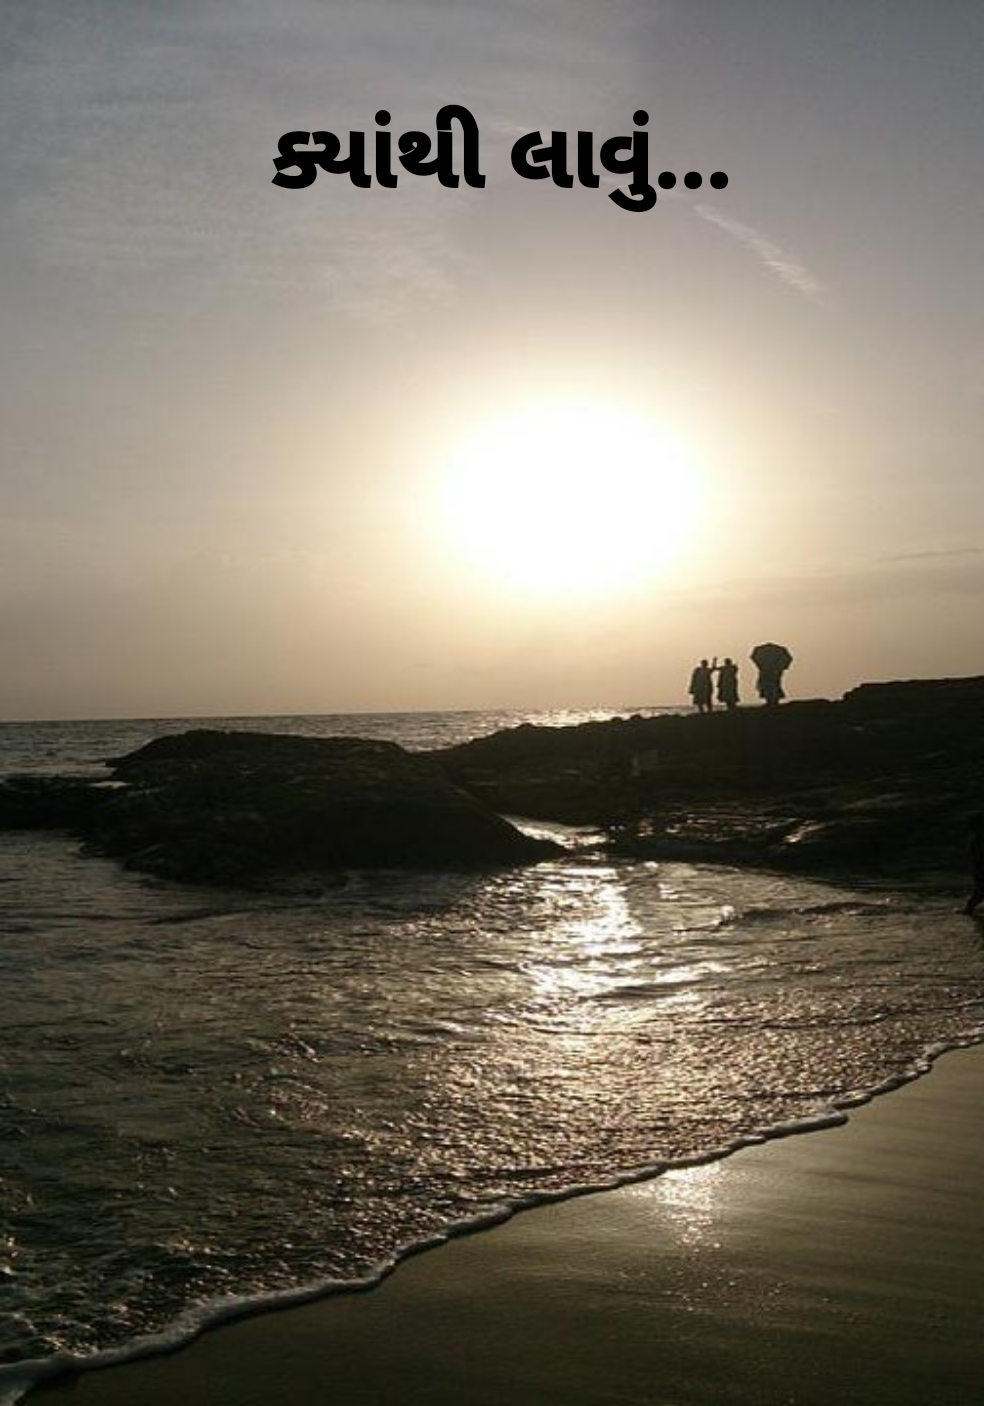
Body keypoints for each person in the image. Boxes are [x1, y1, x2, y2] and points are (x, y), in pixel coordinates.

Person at [750, 642, 792, 707]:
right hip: (773, 672)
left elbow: (754, 658)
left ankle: (772, 700)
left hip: (770, 672)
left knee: (769, 685)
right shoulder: (780, 652)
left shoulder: (761, 654)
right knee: (771, 685)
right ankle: (772, 700)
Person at [964, 815, 984, 916]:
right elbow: (977, 858)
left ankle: (968, 910)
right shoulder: (977, 840)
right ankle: (968, 910)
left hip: (978, 870)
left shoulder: (976, 839)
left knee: (979, 892)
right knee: (980, 892)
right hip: (980, 870)